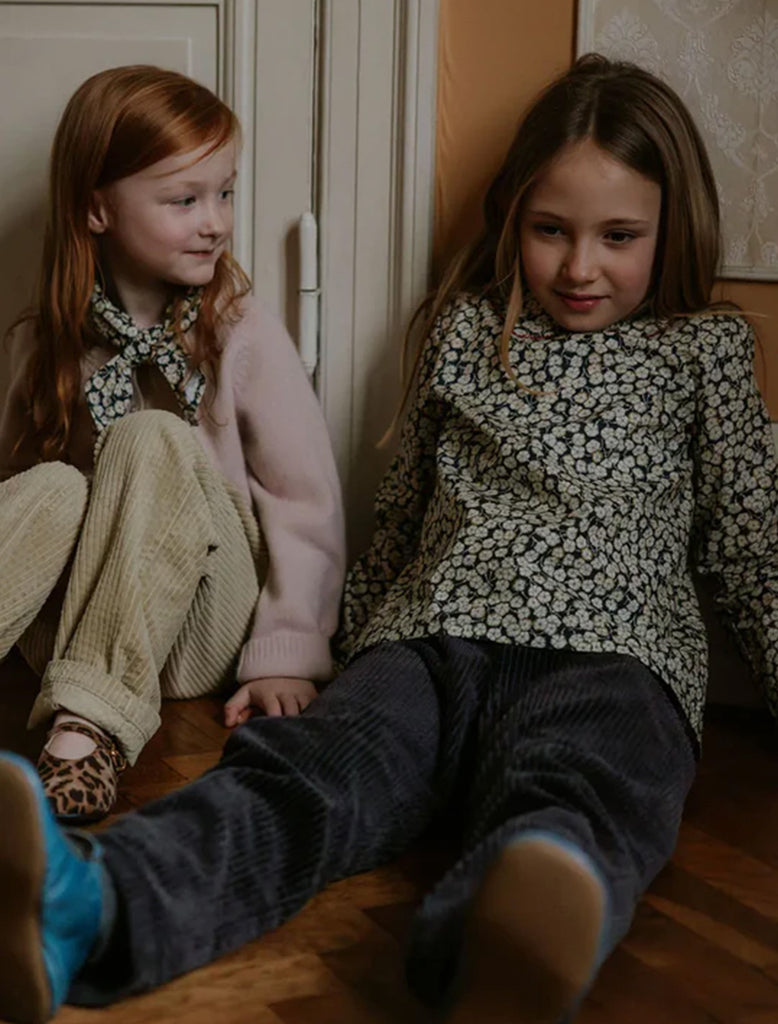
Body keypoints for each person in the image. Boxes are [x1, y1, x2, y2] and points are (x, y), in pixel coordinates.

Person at [1, 52, 777, 1024]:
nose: (581, 266)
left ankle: (504, 943)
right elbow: (401, 510)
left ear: (670, 229)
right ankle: (87, 905)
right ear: (512, 219)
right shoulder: (463, 333)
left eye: (619, 237)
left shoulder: (703, 351)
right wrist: (341, 650)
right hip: (428, 639)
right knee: (302, 777)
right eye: (550, 231)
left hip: (616, 659)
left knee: (584, 793)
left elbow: (753, 540)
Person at [0, 65, 346, 823]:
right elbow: (21, 510)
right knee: (50, 487)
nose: (216, 221)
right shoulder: (42, 341)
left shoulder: (240, 331)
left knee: (152, 435)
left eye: (224, 193)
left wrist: (287, 650)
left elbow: (302, 500)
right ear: (96, 209)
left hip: (194, 630)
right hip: (71, 626)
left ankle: (90, 729)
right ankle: (82, 692)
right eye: (185, 200)